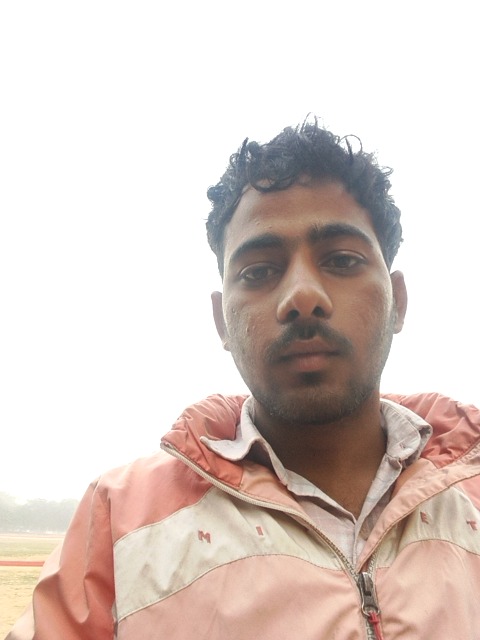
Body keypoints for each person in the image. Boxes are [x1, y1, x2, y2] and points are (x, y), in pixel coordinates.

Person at [7, 119, 480, 640]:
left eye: (342, 260)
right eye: (258, 271)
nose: (302, 296)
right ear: (221, 323)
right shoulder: (119, 519)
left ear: (398, 302)